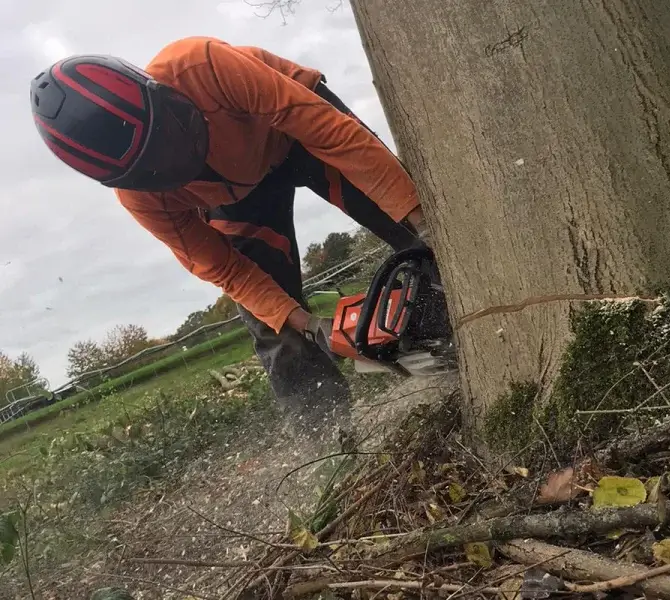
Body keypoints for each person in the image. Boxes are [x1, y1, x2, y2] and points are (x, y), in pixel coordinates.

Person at [29, 36, 429, 444]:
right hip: (233, 197)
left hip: (294, 133)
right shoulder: (141, 199)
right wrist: (313, 326)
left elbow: (333, 135)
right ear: (126, 180)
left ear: (159, 92)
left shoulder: (203, 67)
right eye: (156, 167)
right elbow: (227, 270)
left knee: (411, 223)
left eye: (169, 137)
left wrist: (426, 225)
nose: (175, 159)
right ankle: (331, 443)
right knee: (276, 328)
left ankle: (452, 315)